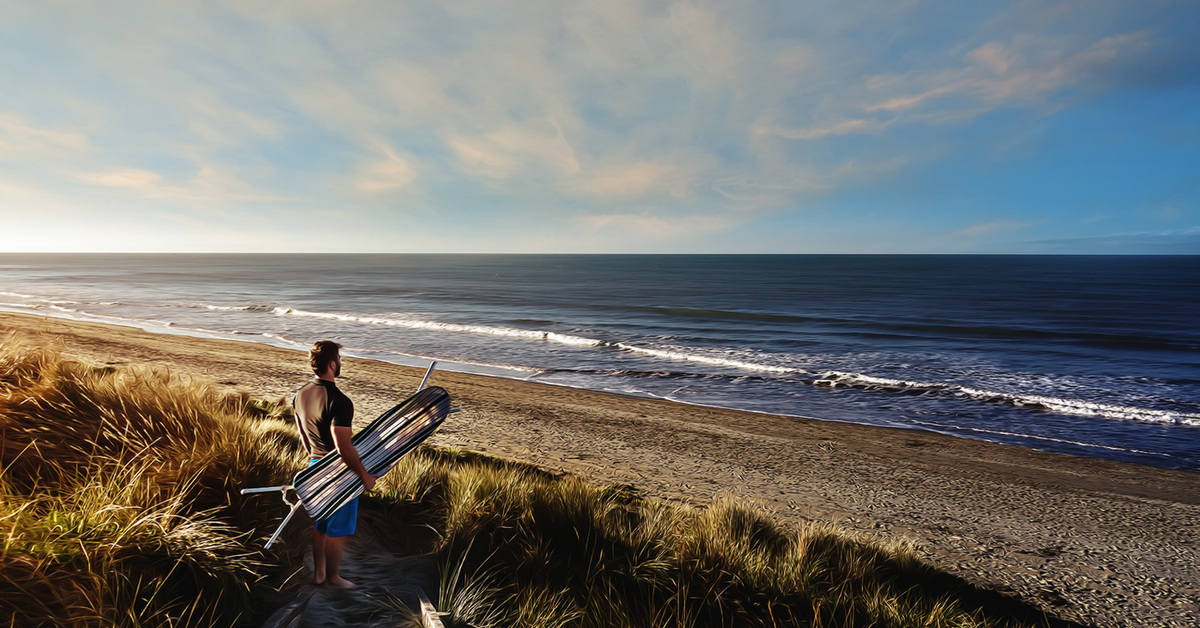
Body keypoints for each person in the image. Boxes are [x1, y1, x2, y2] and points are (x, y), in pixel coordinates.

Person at [292, 340, 379, 588]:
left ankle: (318, 574)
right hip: (338, 474)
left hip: (314, 467)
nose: (340, 363)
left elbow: (304, 438)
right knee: (337, 529)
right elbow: (343, 447)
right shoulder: (339, 401)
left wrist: (316, 462)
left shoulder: (300, 395)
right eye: (339, 359)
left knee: (321, 523)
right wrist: (364, 476)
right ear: (332, 363)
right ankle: (332, 578)